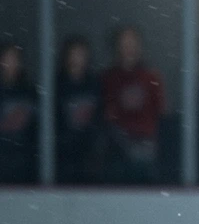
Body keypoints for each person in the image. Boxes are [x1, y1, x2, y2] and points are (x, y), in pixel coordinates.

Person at [101, 27, 166, 184]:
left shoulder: (151, 77)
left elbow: (161, 111)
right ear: (117, 47)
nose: (128, 48)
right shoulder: (109, 78)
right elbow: (107, 114)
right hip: (118, 146)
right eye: (124, 44)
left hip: (147, 144)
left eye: (132, 43)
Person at [56, 36, 105, 184]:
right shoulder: (57, 86)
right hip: (64, 154)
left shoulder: (95, 85)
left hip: (89, 152)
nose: (77, 59)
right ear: (66, 57)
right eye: (74, 54)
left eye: (81, 54)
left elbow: (101, 118)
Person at [0, 43, 38, 185]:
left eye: (15, 59)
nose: (11, 63)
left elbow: (37, 127)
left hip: (24, 163)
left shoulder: (29, 92)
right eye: (7, 58)